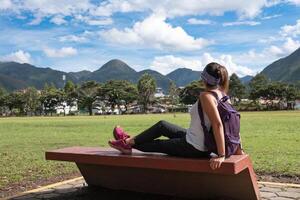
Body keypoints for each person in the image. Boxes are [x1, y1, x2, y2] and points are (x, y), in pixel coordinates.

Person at [108, 62, 242, 170]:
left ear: (204, 78)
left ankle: (126, 144)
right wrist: (238, 148)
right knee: (162, 125)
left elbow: (218, 124)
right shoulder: (224, 97)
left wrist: (221, 155)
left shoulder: (206, 96)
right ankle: (128, 141)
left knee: (157, 145)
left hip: (195, 147)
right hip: (195, 139)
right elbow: (233, 125)